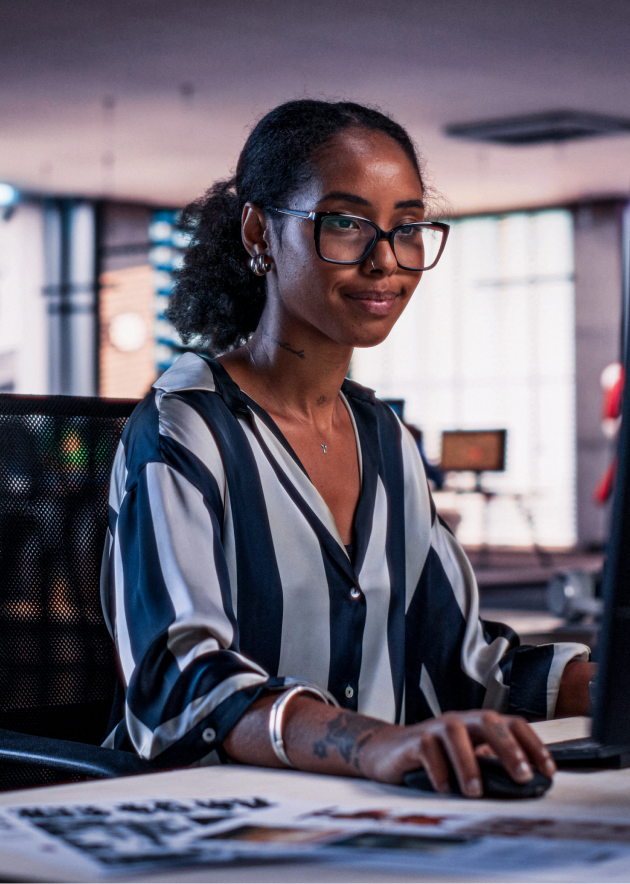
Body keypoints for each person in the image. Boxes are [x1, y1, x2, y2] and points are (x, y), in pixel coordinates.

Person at [102, 99, 594, 797]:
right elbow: (179, 685)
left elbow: (467, 667)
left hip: (374, 810)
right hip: (216, 821)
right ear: (260, 232)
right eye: (345, 222)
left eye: (409, 228)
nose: (385, 260)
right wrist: (374, 745)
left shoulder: (386, 440)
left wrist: (606, 688)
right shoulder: (188, 426)